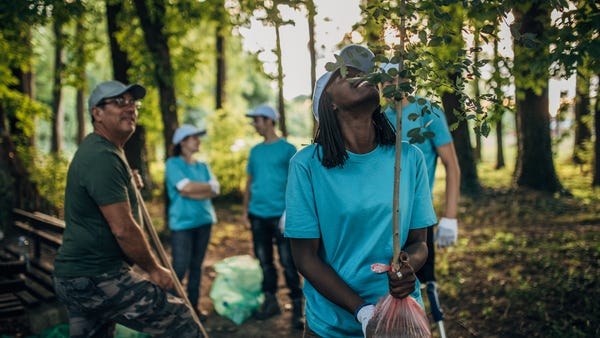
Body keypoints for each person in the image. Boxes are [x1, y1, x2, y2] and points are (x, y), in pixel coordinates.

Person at [284, 44, 437, 337]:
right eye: (345, 73)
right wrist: (363, 311)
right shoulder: (307, 165)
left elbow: (420, 243)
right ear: (329, 102)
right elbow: (305, 258)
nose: (359, 76)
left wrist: (408, 267)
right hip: (332, 326)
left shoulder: (408, 158)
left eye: (366, 72)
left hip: (400, 320)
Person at [53, 80, 203, 337]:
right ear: (96, 113)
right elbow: (123, 228)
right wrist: (154, 269)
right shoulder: (102, 156)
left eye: (133, 102)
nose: (130, 108)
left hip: (78, 276)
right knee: (180, 320)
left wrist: (127, 181)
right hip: (97, 275)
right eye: (119, 102)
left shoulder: (107, 151)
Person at [381, 62, 461, 322]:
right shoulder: (378, 117)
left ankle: (428, 323)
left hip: (418, 216)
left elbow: (452, 165)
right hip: (384, 215)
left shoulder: (429, 112)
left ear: (407, 81)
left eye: (396, 79)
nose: (390, 86)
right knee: (389, 279)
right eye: (384, 80)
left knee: (424, 279)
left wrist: (450, 217)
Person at [242, 104, 304, 329]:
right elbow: (249, 183)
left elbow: (297, 184)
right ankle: (271, 302)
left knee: (289, 262)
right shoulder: (255, 151)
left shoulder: (288, 149)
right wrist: (244, 212)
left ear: (269, 120)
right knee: (264, 261)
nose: (254, 124)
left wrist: (291, 212)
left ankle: (298, 309)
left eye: (256, 120)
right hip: (258, 215)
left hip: (282, 216)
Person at [165, 124, 219, 321]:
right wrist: (201, 190)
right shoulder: (172, 164)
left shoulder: (203, 166)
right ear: (182, 142)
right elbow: (184, 188)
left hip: (204, 222)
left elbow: (216, 189)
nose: (198, 141)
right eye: (194, 138)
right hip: (182, 225)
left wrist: (193, 191)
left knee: (197, 266)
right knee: (179, 267)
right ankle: (171, 311)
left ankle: (194, 308)